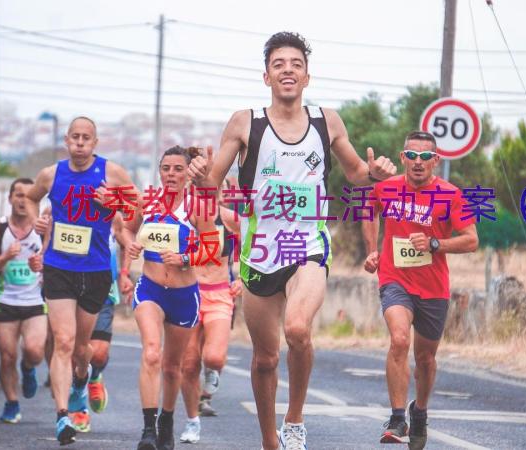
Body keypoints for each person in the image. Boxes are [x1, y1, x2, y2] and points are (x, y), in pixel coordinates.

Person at [187, 32, 397, 450]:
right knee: (265, 358)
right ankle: (270, 440)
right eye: (278, 64)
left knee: (298, 329)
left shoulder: (326, 121)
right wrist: (201, 176)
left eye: (295, 64)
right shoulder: (245, 122)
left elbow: (356, 172)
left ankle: (295, 420)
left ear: (307, 76)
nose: (287, 70)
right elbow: (212, 183)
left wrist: (374, 173)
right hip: (258, 251)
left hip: (307, 244)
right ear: (266, 76)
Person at [361, 131, 478, 448]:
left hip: (433, 287)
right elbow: (368, 208)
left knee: (425, 359)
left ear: (436, 161)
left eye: (425, 157)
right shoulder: (386, 188)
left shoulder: (450, 195)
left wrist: (436, 244)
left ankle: (420, 412)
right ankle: (398, 417)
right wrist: (372, 250)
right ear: (402, 158)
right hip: (394, 279)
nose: (417, 162)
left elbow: (471, 239)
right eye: (411, 155)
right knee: (399, 339)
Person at [27, 116, 136, 445]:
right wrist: (38, 224)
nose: (79, 143)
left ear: (95, 142)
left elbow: (136, 209)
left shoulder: (111, 172)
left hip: (96, 270)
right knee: (62, 341)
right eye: (74, 137)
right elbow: (32, 198)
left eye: (85, 138)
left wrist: (113, 202)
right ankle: (62, 416)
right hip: (59, 267)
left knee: (81, 349)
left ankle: (80, 384)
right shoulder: (51, 174)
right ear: (66, 140)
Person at [123, 146, 217, 450]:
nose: (171, 174)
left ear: (188, 173)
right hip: (150, 289)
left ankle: (167, 421)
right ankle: (148, 429)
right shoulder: (146, 202)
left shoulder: (197, 207)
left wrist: (185, 259)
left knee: (172, 367)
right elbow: (125, 230)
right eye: (166, 168)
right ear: (159, 171)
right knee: (151, 352)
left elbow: (211, 249)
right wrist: (131, 246)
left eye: (178, 168)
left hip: (184, 295)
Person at [179, 181, 242, 443]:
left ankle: (212, 373)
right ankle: (192, 422)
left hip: (219, 294)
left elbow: (254, 240)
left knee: (214, 357)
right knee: (190, 363)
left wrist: (243, 279)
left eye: (208, 188)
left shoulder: (229, 219)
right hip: (188, 293)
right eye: (196, 189)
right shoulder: (181, 219)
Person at [0, 178, 47, 424]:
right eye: (18, 195)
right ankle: (11, 402)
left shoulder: (43, 228)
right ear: (9, 199)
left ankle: (29, 368)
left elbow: (56, 263)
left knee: (34, 350)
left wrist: (41, 265)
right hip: (6, 300)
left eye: (28, 196)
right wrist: (5, 257)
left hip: (35, 302)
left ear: (35, 201)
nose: (23, 200)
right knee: (7, 355)